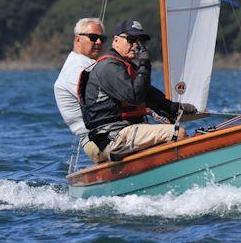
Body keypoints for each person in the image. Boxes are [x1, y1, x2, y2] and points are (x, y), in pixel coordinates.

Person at [80, 19, 197, 162]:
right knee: (177, 133)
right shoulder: (108, 67)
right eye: (131, 40)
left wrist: (175, 108)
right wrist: (144, 64)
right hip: (113, 137)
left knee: (172, 134)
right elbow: (134, 96)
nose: (136, 45)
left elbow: (150, 95)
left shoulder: (124, 67)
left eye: (140, 42)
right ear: (116, 40)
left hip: (123, 133)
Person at [53, 17, 106, 161]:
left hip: (108, 133)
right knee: (170, 133)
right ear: (78, 40)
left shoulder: (89, 65)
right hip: (98, 141)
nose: (99, 42)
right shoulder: (76, 69)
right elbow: (101, 102)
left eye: (102, 38)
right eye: (93, 37)